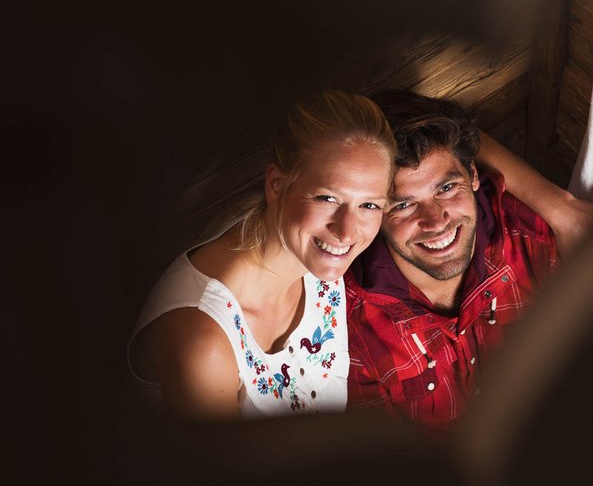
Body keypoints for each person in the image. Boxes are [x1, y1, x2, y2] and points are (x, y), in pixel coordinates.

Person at [126, 89, 396, 420]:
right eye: (327, 198)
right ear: (276, 185)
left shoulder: (312, 255)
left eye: (369, 205)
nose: (347, 230)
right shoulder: (204, 343)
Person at [344, 90, 593, 430]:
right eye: (404, 205)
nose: (436, 221)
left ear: (473, 175)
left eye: (446, 188)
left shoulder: (535, 239)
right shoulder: (354, 329)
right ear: (375, 211)